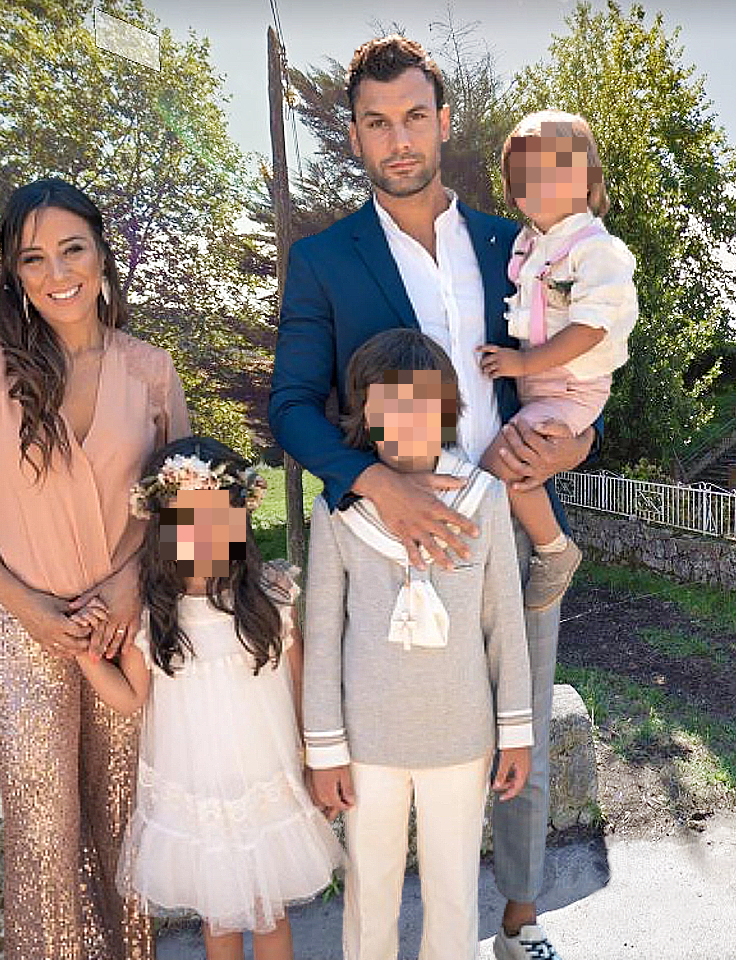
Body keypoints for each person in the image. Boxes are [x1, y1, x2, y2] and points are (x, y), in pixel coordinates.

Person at [268, 35, 594, 960]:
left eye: (415, 116)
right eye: (377, 122)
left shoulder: (516, 243)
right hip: (384, 537)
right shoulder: (326, 260)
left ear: (443, 122)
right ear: (357, 136)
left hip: (508, 519)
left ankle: (520, 922)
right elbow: (292, 406)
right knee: (390, 761)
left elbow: (579, 370)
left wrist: (576, 441)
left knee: (515, 721)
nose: (398, 138)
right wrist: (373, 483)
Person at [0, 177, 190, 959]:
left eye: (72, 248)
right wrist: (29, 606)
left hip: (121, 626)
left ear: (103, 254)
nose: (56, 271)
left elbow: (181, 501)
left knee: (122, 818)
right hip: (23, 631)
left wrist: (130, 585)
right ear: (13, 272)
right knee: (43, 831)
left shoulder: (151, 370)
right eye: (32, 258)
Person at [302, 328, 533, 960]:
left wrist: (514, 731)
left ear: (448, 409)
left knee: (454, 896)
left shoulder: (483, 498)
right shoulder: (339, 508)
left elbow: (503, 623)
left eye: (422, 402)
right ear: (364, 417)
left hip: (459, 739)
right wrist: (324, 750)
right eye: (388, 404)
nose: (407, 418)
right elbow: (321, 636)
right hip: (367, 743)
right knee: (370, 895)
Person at [71, 435, 343, 960]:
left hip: (267, 779)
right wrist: (85, 655)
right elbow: (130, 699)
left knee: (270, 913)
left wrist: (318, 761)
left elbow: (304, 682)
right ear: (162, 529)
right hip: (197, 788)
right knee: (219, 919)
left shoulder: (270, 596)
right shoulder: (153, 616)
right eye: (185, 521)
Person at [476, 110, 637, 610]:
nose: (537, 181)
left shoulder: (598, 250)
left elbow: (592, 328)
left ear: (586, 178)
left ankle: (555, 550)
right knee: (512, 460)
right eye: (524, 172)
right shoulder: (526, 243)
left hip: (572, 390)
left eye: (553, 168)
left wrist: (521, 366)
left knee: (505, 462)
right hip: (541, 388)